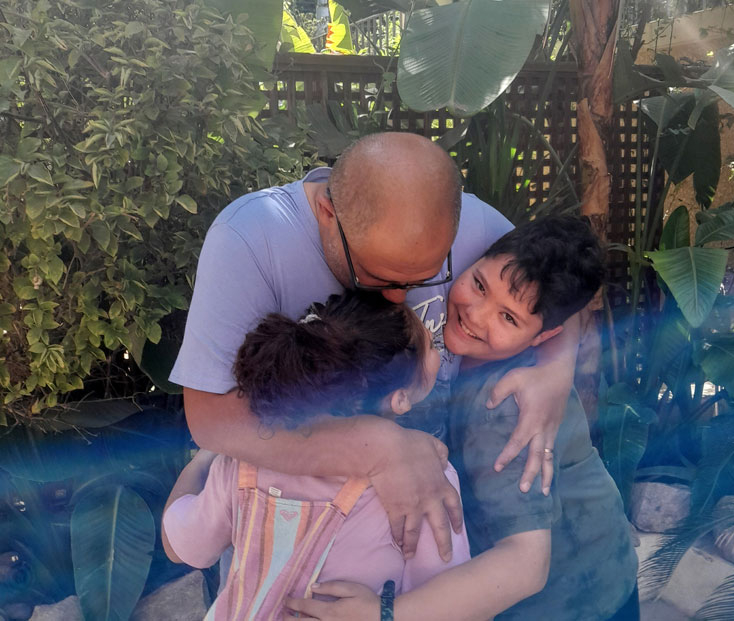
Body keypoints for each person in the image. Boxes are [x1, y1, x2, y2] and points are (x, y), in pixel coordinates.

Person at [170, 132, 583, 561]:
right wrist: (380, 448)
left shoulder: (463, 221)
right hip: (281, 537)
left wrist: (556, 372)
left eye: (424, 278)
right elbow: (211, 419)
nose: (398, 300)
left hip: (408, 532)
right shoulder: (251, 237)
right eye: (377, 277)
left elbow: (561, 296)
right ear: (327, 212)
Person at [286, 215, 639, 621]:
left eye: (509, 318)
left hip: (577, 602)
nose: (476, 314)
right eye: (479, 285)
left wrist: (385, 614)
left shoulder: (504, 407)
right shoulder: (452, 348)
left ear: (542, 338)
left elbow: (526, 565)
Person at [162, 292, 471, 619]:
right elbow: (446, 601)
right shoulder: (426, 481)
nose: (436, 350)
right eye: (431, 345)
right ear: (401, 399)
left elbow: (179, 548)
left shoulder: (243, 464)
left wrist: (205, 459)